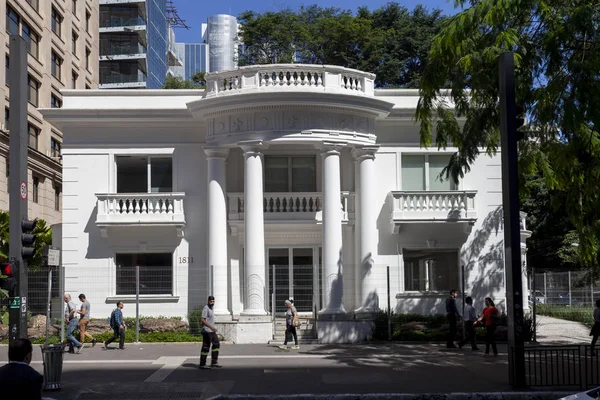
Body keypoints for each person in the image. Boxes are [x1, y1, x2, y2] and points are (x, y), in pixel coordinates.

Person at [199, 296, 222, 369]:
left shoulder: (211, 308)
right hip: (206, 331)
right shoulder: (206, 308)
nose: (212, 303)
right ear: (208, 301)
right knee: (206, 347)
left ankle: (214, 362)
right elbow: (202, 320)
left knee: (216, 344)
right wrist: (211, 327)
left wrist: (212, 328)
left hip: (211, 331)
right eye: (211, 301)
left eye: (213, 301)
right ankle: (202, 364)